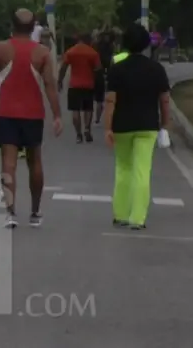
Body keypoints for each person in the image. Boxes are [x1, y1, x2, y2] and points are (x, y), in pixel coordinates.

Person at [0, 9, 62, 228]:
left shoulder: (1, 49)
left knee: (8, 163)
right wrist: (57, 114)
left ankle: (11, 212)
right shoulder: (42, 52)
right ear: (33, 28)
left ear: (11, 25)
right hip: (33, 113)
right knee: (35, 161)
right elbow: (49, 85)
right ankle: (35, 211)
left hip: (7, 112)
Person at [103, 23, 170, 230]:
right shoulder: (157, 69)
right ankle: (138, 218)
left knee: (123, 168)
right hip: (148, 126)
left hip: (122, 125)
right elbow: (164, 100)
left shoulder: (117, 69)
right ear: (147, 44)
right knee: (142, 170)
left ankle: (120, 213)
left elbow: (110, 101)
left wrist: (107, 127)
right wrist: (165, 125)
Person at [58, 33, 101, 143]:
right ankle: (87, 128)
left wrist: (60, 81)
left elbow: (63, 67)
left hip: (74, 85)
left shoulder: (70, 52)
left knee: (75, 110)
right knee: (88, 108)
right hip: (88, 85)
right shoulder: (93, 53)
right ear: (88, 40)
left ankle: (78, 134)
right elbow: (98, 69)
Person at [93, 30, 115, 124]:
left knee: (101, 99)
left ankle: (99, 117)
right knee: (103, 98)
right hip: (104, 72)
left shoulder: (99, 46)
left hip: (101, 72)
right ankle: (100, 117)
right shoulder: (110, 46)